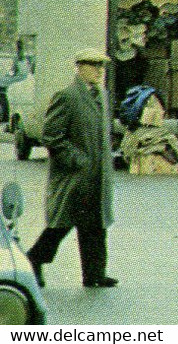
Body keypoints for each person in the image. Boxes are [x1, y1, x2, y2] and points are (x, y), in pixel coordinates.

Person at [27, 48, 117, 288]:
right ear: (79, 66)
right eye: (94, 65)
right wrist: (77, 159)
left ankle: (95, 274)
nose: (99, 70)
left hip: (96, 176)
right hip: (74, 177)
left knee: (95, 225)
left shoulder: (102, 95)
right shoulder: (67, 96)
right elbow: (51, 136)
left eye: (102, 66)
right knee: (61, 225)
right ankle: (34, 259)